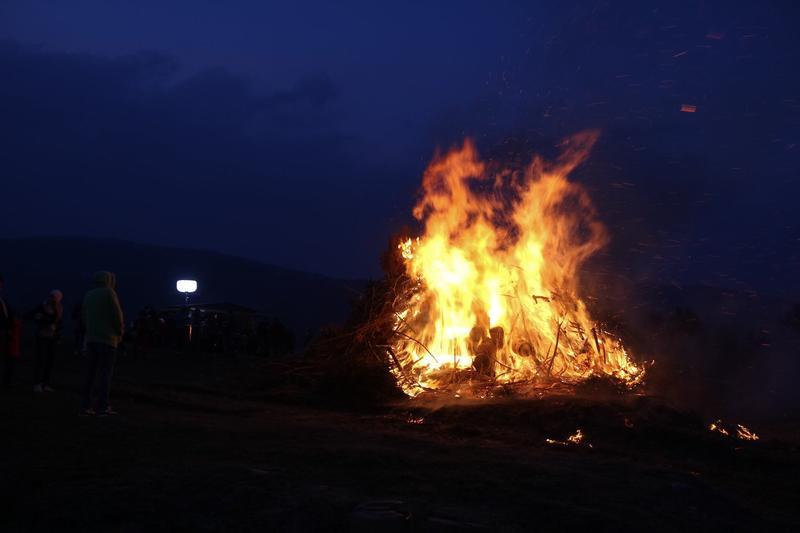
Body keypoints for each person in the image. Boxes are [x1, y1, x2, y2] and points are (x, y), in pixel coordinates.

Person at [81, 271, 123, 416]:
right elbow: (117, 315)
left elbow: (84, 316)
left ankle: (85, 405)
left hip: (91, 338)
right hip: (107, 339)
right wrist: (120, 332)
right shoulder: (109, 293)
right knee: (105, 374)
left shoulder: (89, 294)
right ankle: (102, 406)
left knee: (90, 373)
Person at [29, 289, 63, 392]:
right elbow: (33, 316)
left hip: (52, 337)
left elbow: (59, 322)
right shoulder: (42, 307)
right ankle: (37, 383)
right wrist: (45, 322)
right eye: (53, 297)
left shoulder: (59, 308)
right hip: (42, 336)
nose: (54, 299)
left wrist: (57, 329)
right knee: (41, 360)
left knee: (50, 361)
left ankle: (45, 383)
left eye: (57, 298)